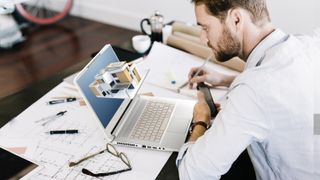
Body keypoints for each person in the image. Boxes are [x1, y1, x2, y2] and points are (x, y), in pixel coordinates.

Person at [176, 0, 320, 179]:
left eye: (205, 28)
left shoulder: (253, 90)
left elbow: (193, 173)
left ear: (236, 19)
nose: (202, 39)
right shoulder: (309, 45)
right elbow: (279, 88)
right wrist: (225, 79)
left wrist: (201, 121)